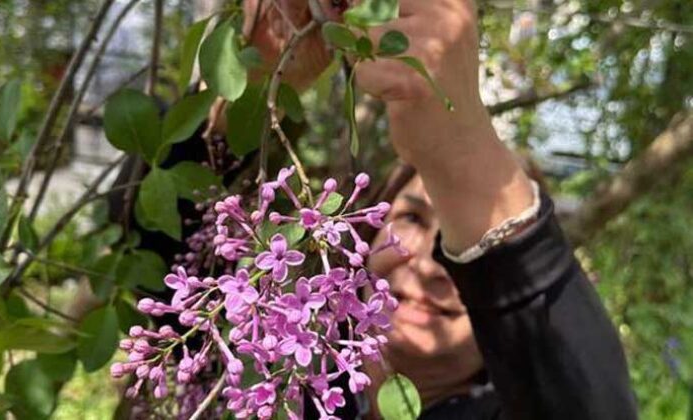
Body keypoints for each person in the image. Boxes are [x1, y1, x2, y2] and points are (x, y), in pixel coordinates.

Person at [242, 0, 639, 418]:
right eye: (412, 217)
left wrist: (460, 150)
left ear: (497, 301)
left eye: (463, 244)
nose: (429, 265)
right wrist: (252, 83)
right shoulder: (281, 374)